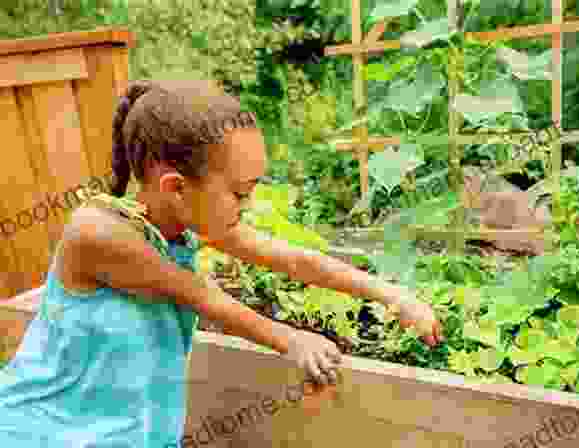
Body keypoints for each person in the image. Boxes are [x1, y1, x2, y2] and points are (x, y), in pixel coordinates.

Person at [0, 79, 443, 447]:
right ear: (175, 187)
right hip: (44, 429)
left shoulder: (184, 219)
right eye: (239, 192)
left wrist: (393, 296)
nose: (247, 205)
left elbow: (294, 259)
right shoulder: (99, 234)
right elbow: (205, 298)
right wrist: (293, 340)